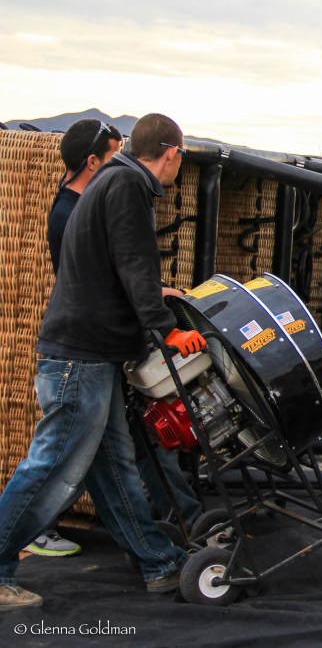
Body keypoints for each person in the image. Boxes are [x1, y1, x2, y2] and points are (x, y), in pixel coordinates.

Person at [0, 113, 204, 611]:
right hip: (80, 358)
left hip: (90, 354)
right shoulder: (130, 185)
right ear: (172, 152)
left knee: (113, 467)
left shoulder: (112, 181)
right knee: (51, 468)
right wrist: (166, 328)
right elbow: (136, 263)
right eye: (180, 157)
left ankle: (158, 562)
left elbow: (116, 267)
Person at [23, 120, 124, 558]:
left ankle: (150, 547)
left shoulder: (78, 205)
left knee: (103, 455)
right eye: (113, 158)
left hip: (89, 347)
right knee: (56, 457)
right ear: (92, 161)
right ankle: (23, 533)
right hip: (76, 350)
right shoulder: (69, 214)